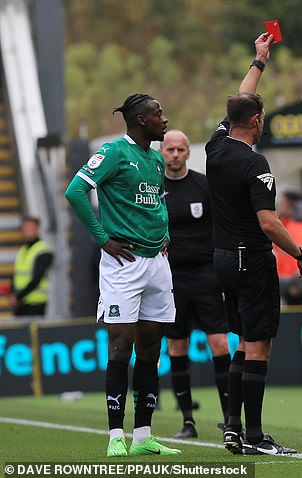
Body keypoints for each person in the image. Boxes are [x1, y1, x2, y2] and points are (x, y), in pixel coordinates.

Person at [205, 32, 302, 456]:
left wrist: (259, 61)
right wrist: (301, 255)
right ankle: (254, 436)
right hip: (250, 260)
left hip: (221, 260)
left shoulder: (216, 148)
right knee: (261, 347)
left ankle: (232, 427)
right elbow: (268, 222)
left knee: (243, 343)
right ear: (257, 121)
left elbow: (241, 99)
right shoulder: (254, 162)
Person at [65, 93, 181, 457]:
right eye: (158, 113)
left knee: (150, 349)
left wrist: (164, 235)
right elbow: (76, 191)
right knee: (121, 345)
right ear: (140, 119)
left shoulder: (156, 159)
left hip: (156, 263)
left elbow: (156, 201)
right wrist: (102, 238)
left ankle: (143, 435)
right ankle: (116, 434)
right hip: (124, 264)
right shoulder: (115, 152)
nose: (164, 118)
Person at [160, 129, 231, 439]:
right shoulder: (153, 189)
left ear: (189, 153)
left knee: (219, 343)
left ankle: (232, 419)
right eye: (169, 149)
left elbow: (221, 229)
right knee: (177, 346)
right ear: (162, 152)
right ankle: (188, 422)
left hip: (206, 276)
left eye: (180, 149)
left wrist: (224, 274)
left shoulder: (204, 185)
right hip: (170, 279)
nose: (175, 154)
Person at [273, 191, 302, 305]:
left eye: (281, 204)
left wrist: (298, 283)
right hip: (284, 280)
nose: (278, 207)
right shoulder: (285, 223)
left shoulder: (298, 226)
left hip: (295, 282)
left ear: (290, 205)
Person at [9, 217, 53, 317]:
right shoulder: (23, 250)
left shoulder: (43, 250)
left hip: (35, 303)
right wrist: (12, 294)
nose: (27, 230)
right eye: (25, 227)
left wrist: (18, 296)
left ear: (37, 229)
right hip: (20, 303)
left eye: (30, 227)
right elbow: (16, 274)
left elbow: (37, 278)